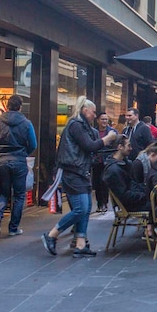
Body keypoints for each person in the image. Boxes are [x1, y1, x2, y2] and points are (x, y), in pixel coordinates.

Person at [42, 96, 117, 258]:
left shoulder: (82, 125)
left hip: (80, 171)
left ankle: (80, 244)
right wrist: (108, 138)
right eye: (93, 112)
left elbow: (91, 148)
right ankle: (52, 235)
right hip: (73, 171)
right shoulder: (76, 125)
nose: (94, 115)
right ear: (85, 110)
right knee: (80, 208)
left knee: (86, 207)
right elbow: (89, 146)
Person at [0, 94, 37, 237]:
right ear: (20, 107)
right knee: (19, 195)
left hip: (1, 161)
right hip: (19, 161)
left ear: (7, 106)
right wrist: (22, 152)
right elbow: (33, 144)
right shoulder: (27, 123)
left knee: (3, 192)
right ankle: (13, 228)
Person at [103, 135, 150, 212]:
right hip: (131, 204)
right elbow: (124, 195)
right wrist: (145, 195)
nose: (131, 148)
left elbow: (132, 185)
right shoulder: (114, 170)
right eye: (128, 146)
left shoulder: (123, 164)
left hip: (134, 200)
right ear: (120, 147)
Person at [92, 112, 117, 213]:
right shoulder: (93, 131)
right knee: (97, 183)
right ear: (97, 120)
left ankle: (105, 203)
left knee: (104, 182)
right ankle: (99, 204)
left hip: (107, 160)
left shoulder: (112, 132)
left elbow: (116, 145)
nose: (104, 121)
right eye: (102, 119)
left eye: (106, 119)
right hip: (97, 161)